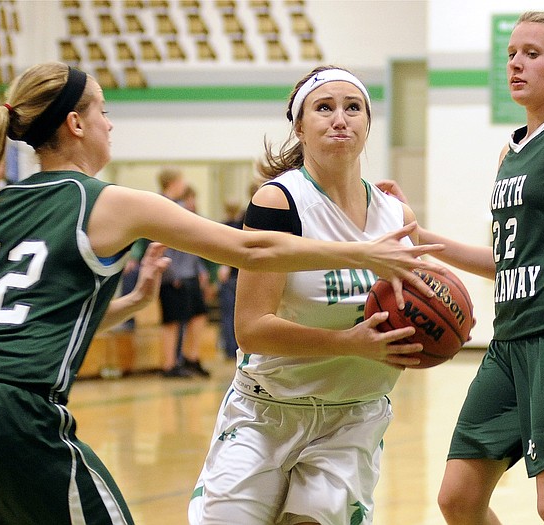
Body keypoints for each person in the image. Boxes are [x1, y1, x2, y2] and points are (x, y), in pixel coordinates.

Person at [0, 62, 444, 525]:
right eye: (103, 110)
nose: (110, 123)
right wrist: (363, 253)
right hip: (14, 408)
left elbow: (24, 321)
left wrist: (128, 304)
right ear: (76, 124)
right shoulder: (112, 201)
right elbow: (250, 250)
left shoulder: (1, 204)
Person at [379, 11, 544, 524]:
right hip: (510, 342)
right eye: (510, 54)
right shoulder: (511, 151)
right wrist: (421, 238)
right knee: (459, 498)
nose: (515, 63)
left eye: (532, 54)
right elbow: (503, 261)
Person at [189, 66, 427, 525]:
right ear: (299, 126)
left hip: (352, 416)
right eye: (324, 108)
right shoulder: (280, 201)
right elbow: (251, 330)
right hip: (268, 410)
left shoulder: (396, 214)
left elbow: (418, 312)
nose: (340, 119)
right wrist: (348, 343)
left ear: (368, 123)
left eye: (353, 107)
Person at [156, 174, 212, 378]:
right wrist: (170, 273)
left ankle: (190, 358)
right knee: (172, 321)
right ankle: (169, 365)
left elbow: (193, 245)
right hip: (173, 276)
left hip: (190, 273)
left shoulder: (182, 208)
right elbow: (160, 244)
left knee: (198, 315)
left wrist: (202, 271)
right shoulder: (161, 207)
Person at [216, 197, 245, 359]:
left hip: (232, 275)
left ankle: (230, 349)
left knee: (229, 315)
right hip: (236, 274)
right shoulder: (240, 226)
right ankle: (233, 347)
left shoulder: (225, 226)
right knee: (233, 314)